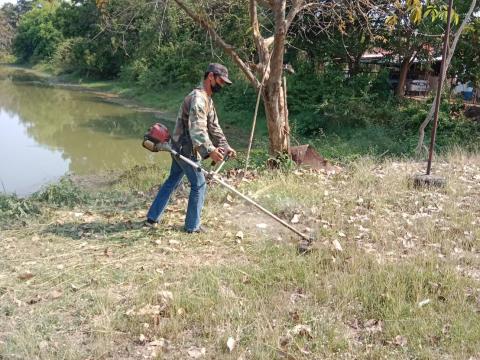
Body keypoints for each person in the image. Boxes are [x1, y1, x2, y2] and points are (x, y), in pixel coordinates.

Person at [144, 63, 236, 233]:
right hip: (186, 150)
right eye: (220, 81)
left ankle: (152, 218)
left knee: (172, 181)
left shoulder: (207, 99)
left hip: (178, 146)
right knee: (199, 184)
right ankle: (192, 227)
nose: (222, 85)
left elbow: (214, 126)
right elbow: (198, 129)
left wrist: (225, 145)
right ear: (210, 77)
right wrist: (210, 150)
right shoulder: (198, 98)